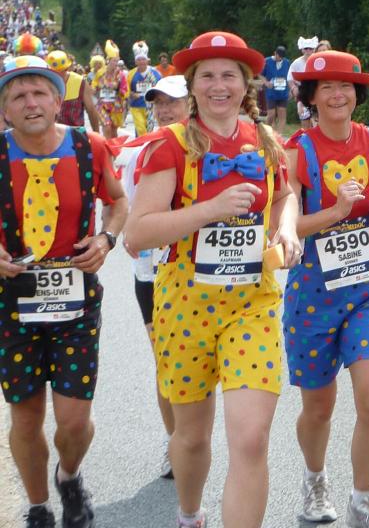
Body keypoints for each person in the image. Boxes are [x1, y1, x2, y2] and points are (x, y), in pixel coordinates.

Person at [124, 31, 301, 528]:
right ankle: (189, 514)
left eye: (229, 75)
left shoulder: (265, 140)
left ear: (246, 84)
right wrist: (210, 210)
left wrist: (287, 229)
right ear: (192, 85)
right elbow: (137, 234)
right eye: (207, 76)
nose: (218, 85)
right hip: (185, 304)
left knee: (251, 439)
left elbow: (285, 196)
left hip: (252, 302)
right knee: (192, 438)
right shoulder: (169, 145)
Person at [0, 55, 127, 528]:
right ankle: (38, 507)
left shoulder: (88, 146)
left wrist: (106, 239)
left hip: (76, 301)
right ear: (5, 111)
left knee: (73, 421)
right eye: (18, 96)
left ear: (58, 101)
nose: (30, 103)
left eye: (39, 93)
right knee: (26, 416)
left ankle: (69, 476)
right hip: (12, 303)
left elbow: (118, 202)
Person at [283, 50, 369, 528]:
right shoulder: (298, 150)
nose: (337, 95)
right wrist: (335, 212)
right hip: (313, 293)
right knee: (318, 407)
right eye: (326, 87)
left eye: (346, 86)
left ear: (357, 94)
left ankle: (363, 501)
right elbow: (285, 224)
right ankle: (315, 480)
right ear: (311, 97)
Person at [117, 75, 191, 480]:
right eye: (158, 103)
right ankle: (176, 441)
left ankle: (194, 437)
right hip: (151, 275)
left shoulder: (208, 150)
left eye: (172, 102)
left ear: (191, 105)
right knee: (167, 364)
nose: (163, 110)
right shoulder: (137, 152)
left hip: (201, 273)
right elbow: (122, 207)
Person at [45, 50, 101, 132]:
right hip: (51, 134)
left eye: (62, 70)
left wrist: (96, 134)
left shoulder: (80, 82)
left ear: (66, 68)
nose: (58, 74)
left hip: (75, 134)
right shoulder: (44, 83)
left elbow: (91, 110)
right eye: (54, 72)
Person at [126, 44, 162, 137]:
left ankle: (142, 144)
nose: (141, 62)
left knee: (149, 131)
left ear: (147, 60)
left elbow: (161, 88)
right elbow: (126, 90)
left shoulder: (155, 73)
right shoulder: (131, 74)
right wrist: (132, 94)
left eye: (143, 59)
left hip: (150, 106)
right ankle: (141, 144)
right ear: (135, 62)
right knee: (141, 129)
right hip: (136, 106)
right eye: (139, 60)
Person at [289, 36, 318, 129]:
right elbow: (290, 78)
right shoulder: (296, 63)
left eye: (310, 48)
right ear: (302, 50)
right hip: (302, 93)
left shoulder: (318, 62)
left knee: (316, 121)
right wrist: (293, 88)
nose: (308, 51)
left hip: (316, 93)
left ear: (314, 49)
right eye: (306, 48)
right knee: (304, 119)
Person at [261, 45, 290, 134]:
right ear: (275, 53)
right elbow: (260, 74)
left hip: (283, 92)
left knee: (282, 114)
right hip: (271, 92)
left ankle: (279, 136)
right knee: (271, 115)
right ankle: (266, 133)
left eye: (281, 57)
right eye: (278, 56)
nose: (279, 58)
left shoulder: (287, 62)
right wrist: (266, 83)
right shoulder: (267, 61)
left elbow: (289, 77)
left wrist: (290, 90)